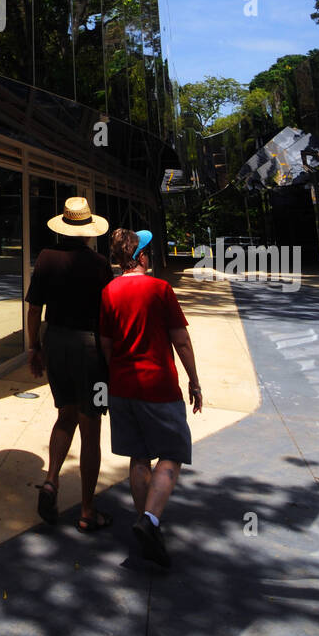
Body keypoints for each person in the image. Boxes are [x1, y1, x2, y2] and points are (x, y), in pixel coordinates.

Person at [100, 228, 203, 569]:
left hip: (122, 387)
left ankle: (146, 523)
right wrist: (195, 381)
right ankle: (151, 520)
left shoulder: (109, 292)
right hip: (158, 386)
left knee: (139, 456)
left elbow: (106, 344)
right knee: (172, 453)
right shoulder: (160, 289)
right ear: (142, 257)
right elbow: (182, 341)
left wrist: (114, 373)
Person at [26, 196, 113, 533]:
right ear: (89, 230)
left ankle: (51, 482)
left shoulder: (46, 258)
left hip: (56, 342)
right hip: (90, 349)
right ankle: (88, 511)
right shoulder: (99, 264)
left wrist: (34, 346)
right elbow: (108, 315)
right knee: (91, 427)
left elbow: (34, 309)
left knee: (64, 415)